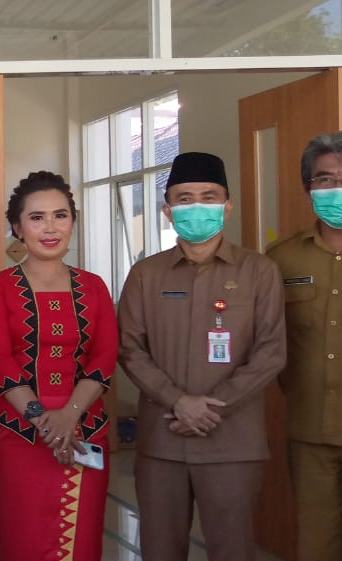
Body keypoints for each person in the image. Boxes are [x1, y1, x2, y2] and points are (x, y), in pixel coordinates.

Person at [118, 152, 285, 561]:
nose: (197, 207)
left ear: (227, 206)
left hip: (232, 444)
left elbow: (271, 351)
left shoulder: (259, 271)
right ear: (168, 210)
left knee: (233, 550)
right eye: (185, 198)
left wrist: (210, 407)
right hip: (162, 442)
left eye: (208, 197)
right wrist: (178, 401)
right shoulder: (146, 274)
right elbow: (130, 349)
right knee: (159, 549)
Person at [0, 171, 116, 560]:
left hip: (85, 429)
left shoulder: (94, 286)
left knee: (82, 542)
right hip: (18, 435)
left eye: (60, 215)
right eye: (37, 218)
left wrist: (69, 415)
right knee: (23, 540)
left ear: (73, 221)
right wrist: (46, 421)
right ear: (17, 228)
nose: (50, 227)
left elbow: (104, 357)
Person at [267, 130, 342, 561]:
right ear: (308, 188)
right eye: (325, 179)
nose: (338, 188)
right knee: (318, 549)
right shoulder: (281, 258)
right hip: (310, 432)